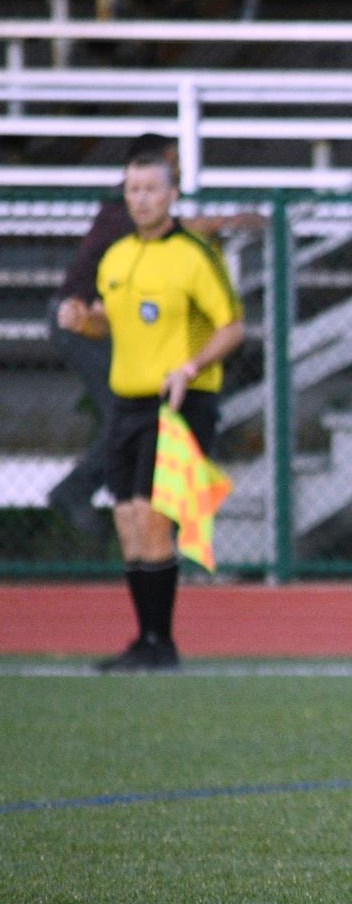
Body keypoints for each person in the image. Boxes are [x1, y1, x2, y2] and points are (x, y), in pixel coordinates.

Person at [55, 148, 246, 673]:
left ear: (172, 194)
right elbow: (109, 324)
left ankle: (161, 643)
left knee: (157, 521)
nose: (140, 199)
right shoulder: (116, 256)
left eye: (151, 189)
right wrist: (82, 320)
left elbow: (231, 327)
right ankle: (145, 640)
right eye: (132, 189)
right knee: (128, 520)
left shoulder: (193, 255)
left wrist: (189, 366)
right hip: (126, 402)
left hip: (179, 405)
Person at [46, 134, 263, 540]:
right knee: (127, 409)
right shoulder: (125, 206)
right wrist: (230, 220)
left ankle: (152, 501)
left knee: (153, 411)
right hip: (79, 319)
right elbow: (176, 229)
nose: (177, 168)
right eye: (172, 160)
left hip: (117, 319)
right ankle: (84, 492)